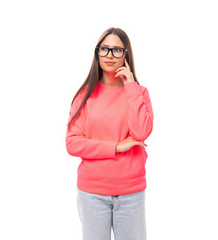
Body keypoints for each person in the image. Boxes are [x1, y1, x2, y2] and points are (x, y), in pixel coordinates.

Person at [65, 27, 154, 240]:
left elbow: (141, 132)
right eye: (104, 49)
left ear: (126, 55)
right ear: (97, 53)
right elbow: (73, 143)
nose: (110, 55)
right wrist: (116, 147)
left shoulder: (139, 93)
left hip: (131, 192)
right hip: (92, 193)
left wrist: (130, 86)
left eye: (116, 50)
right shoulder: (84, 95)